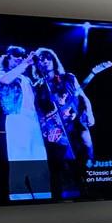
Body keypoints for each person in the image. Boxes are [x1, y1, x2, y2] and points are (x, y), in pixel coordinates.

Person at [32, 47, 94, 198]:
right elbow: (39, 112)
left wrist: (90, 113)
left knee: (84, 155)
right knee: (58, 166)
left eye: (48, 57)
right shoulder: (38, 86)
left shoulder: (68, 77)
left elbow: (83, 96)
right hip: (56, 129)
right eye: (41, 59)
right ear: (37, 64)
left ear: (54, 60)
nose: (45, 61)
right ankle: (58, 197)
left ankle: (88, 190)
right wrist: (47, 129)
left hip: (75, 123)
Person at [0, 46, 52, 201]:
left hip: (33, 119)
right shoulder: (1, 73)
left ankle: (44, 198)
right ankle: (20, 199)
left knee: (39, 159)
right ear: (7, 57)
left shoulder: (26, 78)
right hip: (17, 118)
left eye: (22, 56)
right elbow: (6, 80)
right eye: (16, 55)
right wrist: (25, 63)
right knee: (19, 160)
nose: (20, 58)